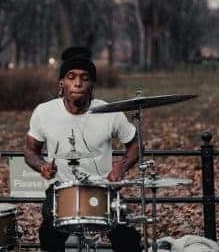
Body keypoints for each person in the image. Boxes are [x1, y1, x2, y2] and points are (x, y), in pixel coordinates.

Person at [24, 46, 141, 252]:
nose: (78, 82)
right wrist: (42, 165)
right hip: (61, 190)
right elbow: (30, 151)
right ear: (62, 82)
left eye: (85, 78)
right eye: (71, 77)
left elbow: (134, 145)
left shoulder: (109, 112)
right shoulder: (44, 112)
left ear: (92, 84)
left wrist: (121, 167)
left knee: (128, 238)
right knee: (48, 236)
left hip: (103, 189)